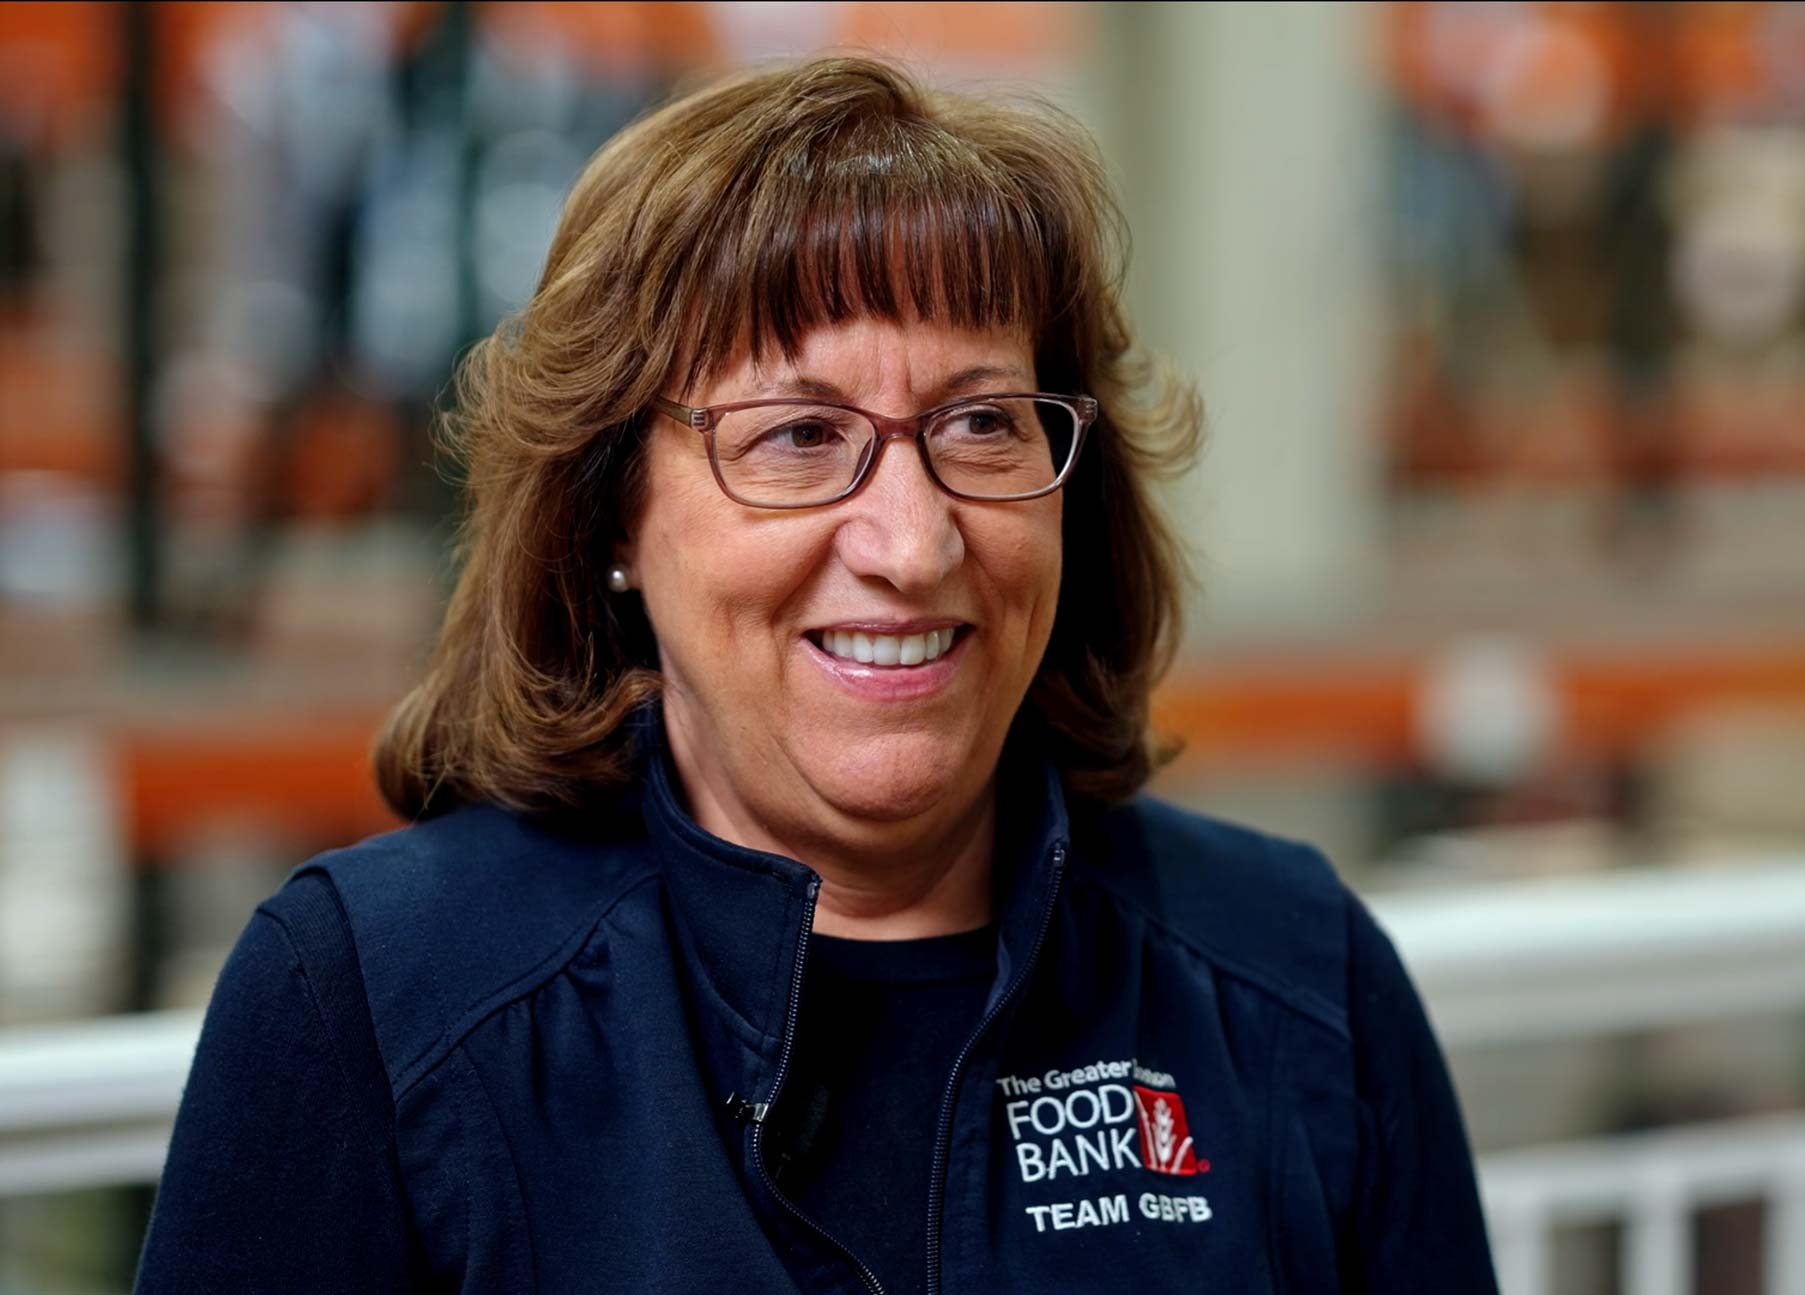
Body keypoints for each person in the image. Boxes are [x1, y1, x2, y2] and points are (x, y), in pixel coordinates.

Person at [135, 56, 1497, 1294]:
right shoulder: (379, 1002)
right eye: (796, 436)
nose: (912, 543)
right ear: (612, 515)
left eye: (979, 422)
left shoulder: (1295, 979)